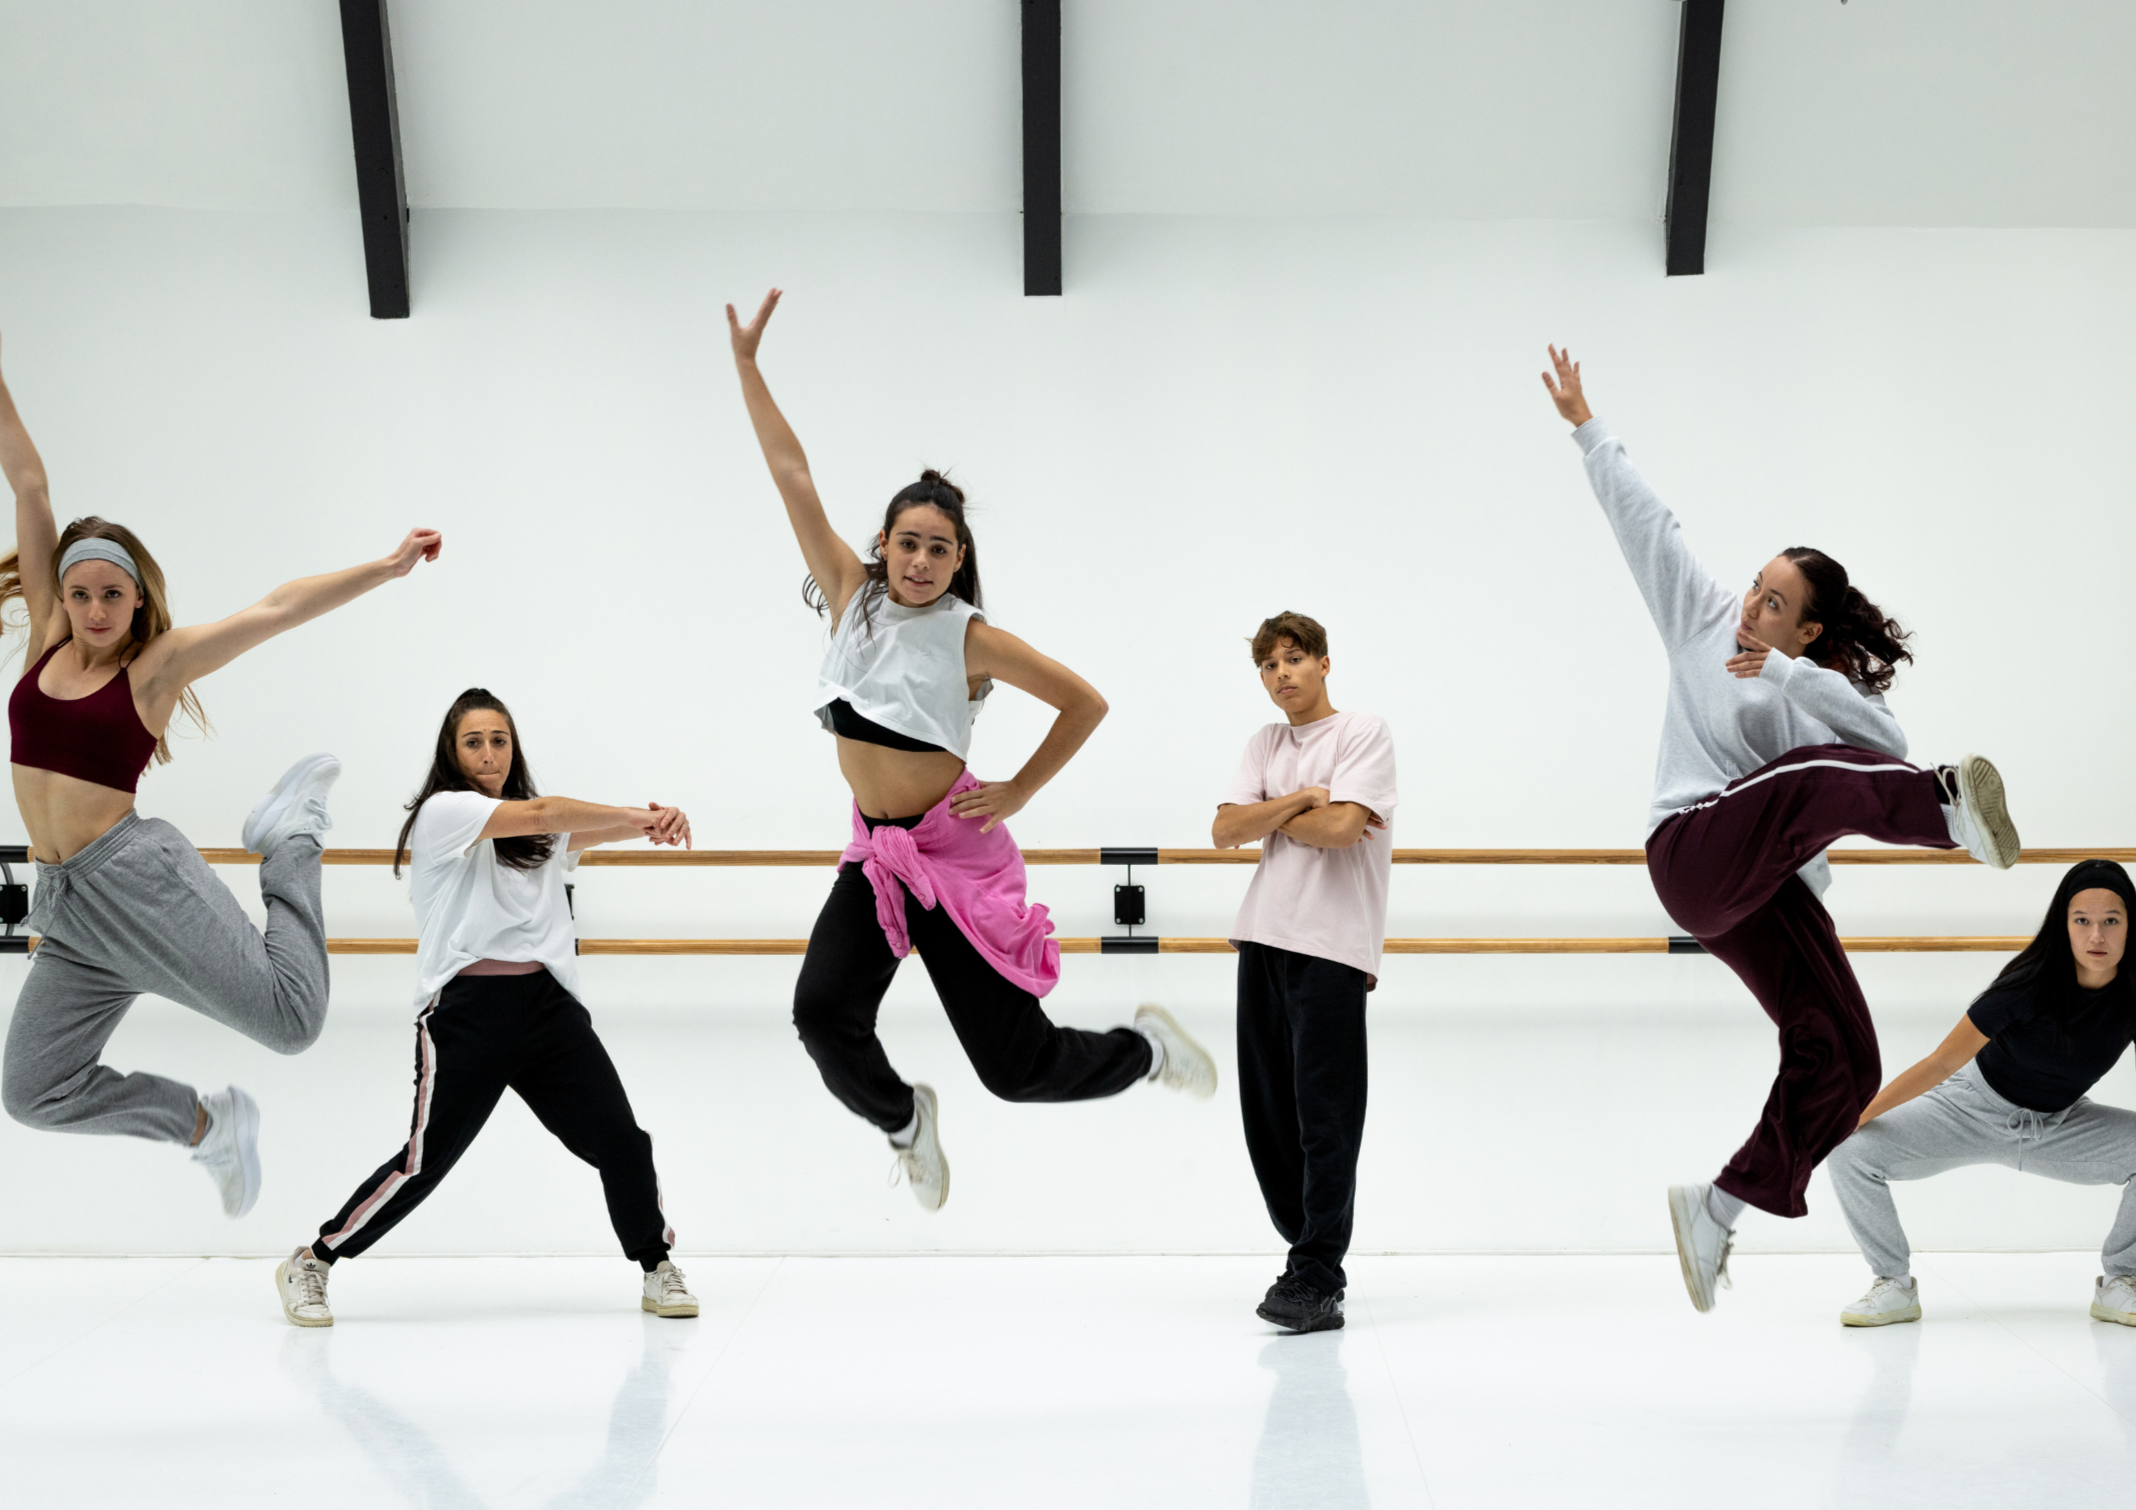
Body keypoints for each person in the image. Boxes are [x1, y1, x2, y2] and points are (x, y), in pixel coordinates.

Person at [1541, 345, 2022, 1313]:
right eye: (1755, 586)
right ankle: (1949, 818)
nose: (1751, 607)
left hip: (1756, 895)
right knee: (1806, 779)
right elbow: (1648, 526)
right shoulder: (1700, 619)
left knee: (1846, 1055)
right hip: (1688, 852)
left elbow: (1884, 745)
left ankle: (1717, 1209)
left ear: (1807, 631)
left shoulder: (1808, 683)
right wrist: (1589, 427)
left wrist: (1792, 677)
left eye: (1774, 604)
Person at [727, 288, 1217, 1212]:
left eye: (939, 550)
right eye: (908, 544)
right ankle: (904, 1119)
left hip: (950, 857)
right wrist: (749, 366)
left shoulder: (968, 637)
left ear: (959, 561)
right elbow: (791, 473)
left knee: (1017, 1069)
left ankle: (1146, 1051)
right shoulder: (851, 598)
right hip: (878, 856)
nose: (920, 561)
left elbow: (1084, 702)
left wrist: (1020, 790)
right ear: (883, 544)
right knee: (821, 1015)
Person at [0, 335, 441, 1219]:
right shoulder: (48, 637)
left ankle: (291, 838)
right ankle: (205, 1126)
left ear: (138, 598)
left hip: (134, 879)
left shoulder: (154, 668)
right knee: (33, 1089)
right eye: (80, 594)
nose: (93, 610)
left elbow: (276, 609)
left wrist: (385, 567)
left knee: (292, 1021)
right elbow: (31, 482)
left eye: (111, 595)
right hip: (68, 904)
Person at [276, 689, 697, 1327]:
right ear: (452, 752)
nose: (489, 753)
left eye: (499, 740)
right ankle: (313, 1260)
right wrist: (641, 816)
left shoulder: (536, 832)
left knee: (623, 1141)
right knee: (424, 1163)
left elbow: (573, 828)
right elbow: (546, 812)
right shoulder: (445, 812)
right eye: (473, 742)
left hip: (548, 1009)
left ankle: (656, 1265)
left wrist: (654, 821)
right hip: (467, 1012)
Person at [1829, 860, 2136, 1328]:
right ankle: (1894, 1284)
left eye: (2111, 921)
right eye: (2082, 921)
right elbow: (1941, 1062)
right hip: (1968, 1110)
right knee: (1849, 1150)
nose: (2097, 936)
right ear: (2064, 925)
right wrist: (1856, 1115)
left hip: (2061, 1126)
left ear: (2130, 925)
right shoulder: (2027, 985)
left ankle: (2121, 1280)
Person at [1214, 613, 1397, 1335]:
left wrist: (1266, 815)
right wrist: (1301, 801)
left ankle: (1319, 1274)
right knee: (1267, 1118)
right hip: (1261, 937)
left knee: (1326, 1117)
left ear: (1323, 662)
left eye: (1293, 659)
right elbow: (1224, 831)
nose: (1281, 674)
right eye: (1268, 666)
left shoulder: (1362, 732)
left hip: (1332, 947)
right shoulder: (1265, 742)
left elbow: (1344, 830)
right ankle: (1305, 1254)